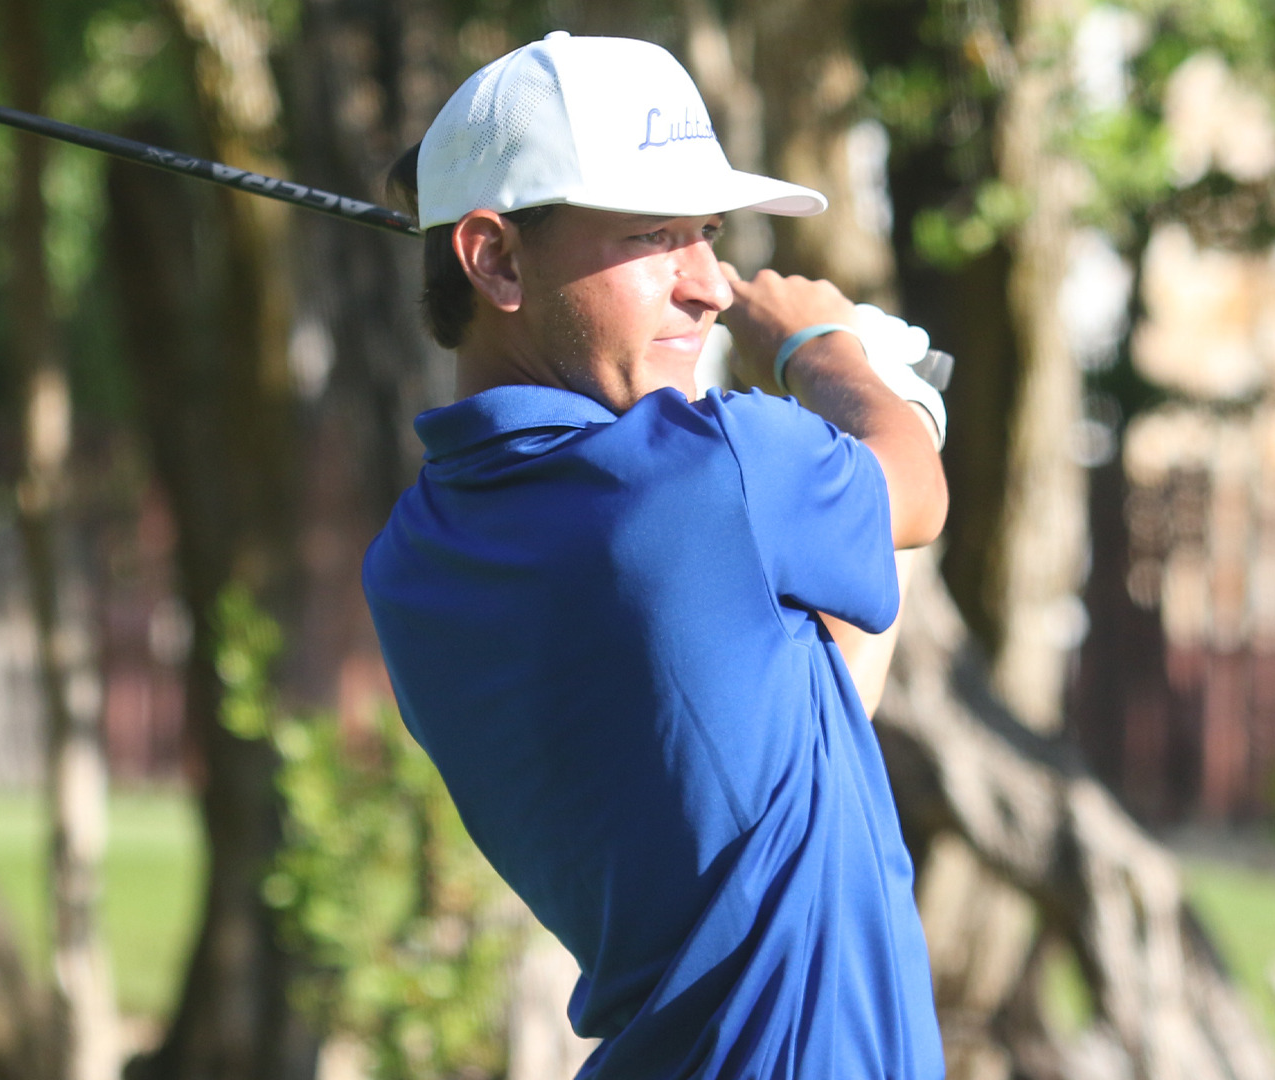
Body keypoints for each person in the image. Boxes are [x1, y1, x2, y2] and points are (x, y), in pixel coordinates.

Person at [363, 30, 948, 1079]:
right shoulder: (708, 475)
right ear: (492, 256)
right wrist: (830, 354)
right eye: (656, 234)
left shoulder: (412, 561)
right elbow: (915, 489)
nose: (711, 284)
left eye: (709, 232)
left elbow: (807, 728)